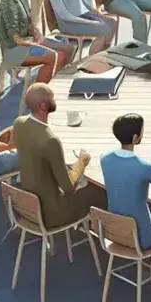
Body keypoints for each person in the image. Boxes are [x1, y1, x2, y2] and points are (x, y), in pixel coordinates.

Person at [14, 84, 100, 229]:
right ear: (43, 105)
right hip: (52, 214)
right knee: (98, 190)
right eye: (51, 98)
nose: (54, 100)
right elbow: (68, 187)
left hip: (28, 206)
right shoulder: (50, 140)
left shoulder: (19, 123)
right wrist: (82, 161)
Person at [101, 114, 151, 249]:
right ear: (135, 138)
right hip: (141, 238)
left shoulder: (104, 159)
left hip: (114, 231)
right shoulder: (144, 167)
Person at [0, 0, 73, 84]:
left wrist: (38, 36)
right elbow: (16, 39)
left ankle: (55, 84)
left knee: (67, 49)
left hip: (28, 40)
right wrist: (37, 44)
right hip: (14, 50)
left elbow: (30, 25)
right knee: (53, 56)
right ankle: (37, 93)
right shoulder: (8, 5)